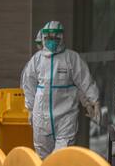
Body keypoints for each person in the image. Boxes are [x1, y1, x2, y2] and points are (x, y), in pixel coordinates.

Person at [22, 21, 101, 159]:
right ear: (44, 38)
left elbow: (84, 81)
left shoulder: (71, 58)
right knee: (43, 157)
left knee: (62, 157)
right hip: (41, 116)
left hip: (66, 116)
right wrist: (29, 108)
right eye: (49, 38)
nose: (52, 41)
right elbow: (28, 85)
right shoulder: (36, 60)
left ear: (62, 37)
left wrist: (93, 101)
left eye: (55, 38)